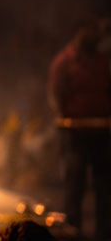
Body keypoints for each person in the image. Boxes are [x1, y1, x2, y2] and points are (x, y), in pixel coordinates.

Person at [47, 18, 111, 241]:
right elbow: (55, 94)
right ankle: (72, 233)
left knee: (104, 185)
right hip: (75, 133)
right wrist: (61, 117)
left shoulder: (103, 62)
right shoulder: (65, 61)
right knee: (75, 183)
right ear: (79, 33)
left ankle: (104, 233)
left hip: (102, 132)